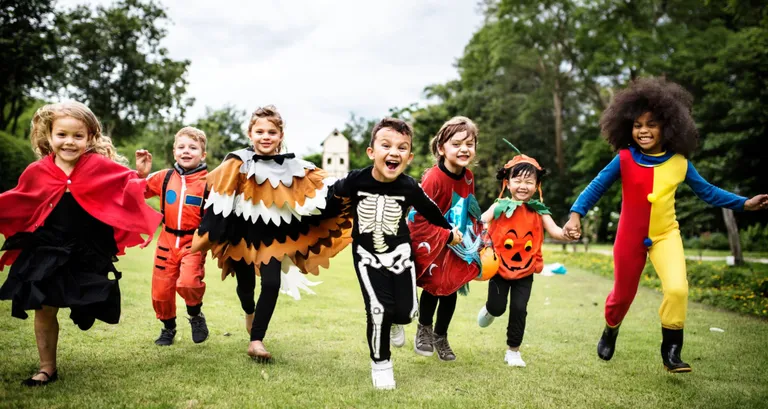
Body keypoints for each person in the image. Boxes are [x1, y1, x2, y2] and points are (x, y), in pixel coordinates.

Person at [562, 77, 768, 372]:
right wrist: (575, 214)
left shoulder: (680, 162)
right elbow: (595, 187)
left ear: (668, 127)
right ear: (627, 128)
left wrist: (744, 202)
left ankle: (671, 350)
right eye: (637, 125)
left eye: (651, 124)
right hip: (629, 237)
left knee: (677, 289)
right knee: (622, 296)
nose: (643, 130)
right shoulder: (623, 158)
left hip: (665, 235)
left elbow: (708, 192)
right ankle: (611, 329)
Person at [0, 101, 162, 386]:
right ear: (48, 136)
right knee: (44, 306)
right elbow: (19, 198)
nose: (69, 142)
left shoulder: (98, 166)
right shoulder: (37, 170)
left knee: (87, 305)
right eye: (62, 135)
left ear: (90, 138)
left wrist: (140, 175)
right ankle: (46, 367)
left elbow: (126, 189)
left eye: (78, 136)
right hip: (47, 248)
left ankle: (84, 309)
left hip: (87, 249)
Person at [191, 105, 351, 362]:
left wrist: (358, 183)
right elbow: (209, 188)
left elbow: (324, 186)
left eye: (272, 132)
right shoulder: (236, 162)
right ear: (250, 134)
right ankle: (249, 312)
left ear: (280, 135)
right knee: (246, 287)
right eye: (260, 131)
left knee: (272, 283)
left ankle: (256, 340)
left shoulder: (295, 166)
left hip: (273, 238)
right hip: (240, 236)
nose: (266, 136)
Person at [331, 117, 462, 390]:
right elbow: (329, 197)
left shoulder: (408, 186)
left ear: (409, 157)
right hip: (366, 255)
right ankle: (381, 365)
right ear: (372, 152)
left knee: (405, 312)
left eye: (402, 148)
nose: (394, 152)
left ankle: (395, 322)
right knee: (378, 309)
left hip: (401, 253)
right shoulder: (356, 179)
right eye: (386, 145)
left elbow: (430, 211)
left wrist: (450, 232)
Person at [477, 146, 574, 367]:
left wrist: (567, 234)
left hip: (526, 269)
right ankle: (491, 310)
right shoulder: (499, 206)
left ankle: (513, 351)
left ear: (537, 185)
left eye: (529, 181)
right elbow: (480, 221)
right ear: (507, 183)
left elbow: (556, 231)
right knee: (498, 307)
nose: (523, 186)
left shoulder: (540, 210)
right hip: (499, 268)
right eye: (518, 180)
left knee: (520, 309)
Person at [407, 116, 482, 361]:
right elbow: (419, 216)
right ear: (441, 148)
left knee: (451, 290)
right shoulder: (433, 179)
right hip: (435, 243)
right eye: (457, 143)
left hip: (457, 244)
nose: (464, 149)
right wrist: (444, 235)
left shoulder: (468, 177)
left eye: (469, 144)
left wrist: (477, 235)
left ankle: (441, 335)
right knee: (434, 287)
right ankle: (424, 329)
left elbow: (468, 206)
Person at [135, 127, 210, 346]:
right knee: (161, 290)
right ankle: (168, 328)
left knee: (188, 282)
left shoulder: (209, 182)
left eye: (193, 148)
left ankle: (195, 315)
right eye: (182, 147)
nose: (187, 152)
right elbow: (138, 191)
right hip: (166, 240)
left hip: (193, 242)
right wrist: (140, 174)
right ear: (174, 151)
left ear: (203, 154)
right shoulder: (164, 177)